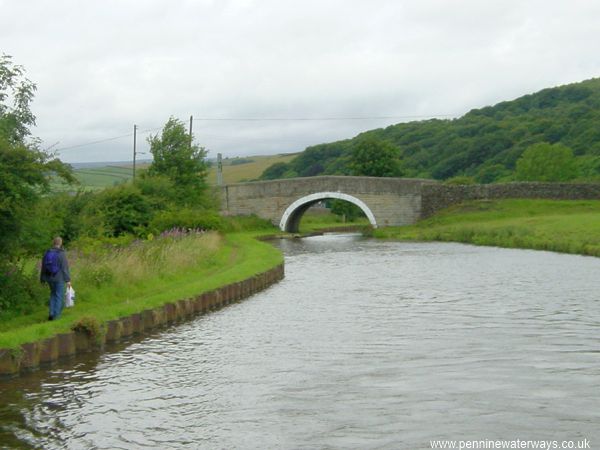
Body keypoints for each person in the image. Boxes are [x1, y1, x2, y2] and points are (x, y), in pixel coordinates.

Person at [40, 236, 71, 321]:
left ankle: (51, 313)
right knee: (58, 296)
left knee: (53, 295)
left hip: (49, 278)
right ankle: (56, 316)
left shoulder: (47, 253)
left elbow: (43, 267)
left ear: (53, 243)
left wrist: (42, 279)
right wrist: (68, 280)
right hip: (59, 279)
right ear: (60, 243)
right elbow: (65, 268)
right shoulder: (61, 254)